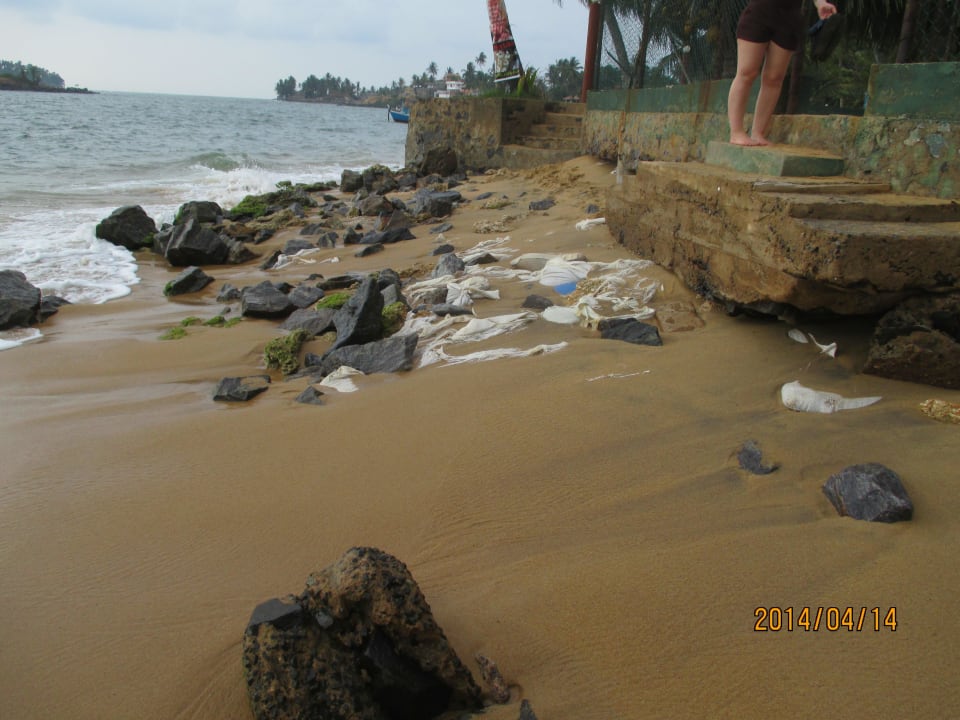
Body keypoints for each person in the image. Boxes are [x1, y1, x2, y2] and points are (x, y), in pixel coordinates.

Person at [728, 0, 838, 146]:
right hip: (760, 11)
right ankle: (736, 132)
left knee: (774, 78)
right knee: (747, 72)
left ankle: (758, 133)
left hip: (790, 17)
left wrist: (820, 3)